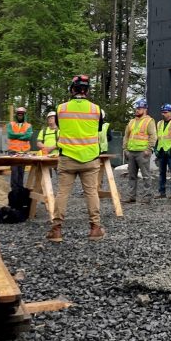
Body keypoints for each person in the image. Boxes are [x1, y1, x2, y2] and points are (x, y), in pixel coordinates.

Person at [48, 75, 106, 242]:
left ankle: (57, 230)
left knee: (62, 193)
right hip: (90, 158)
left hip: (67, 158)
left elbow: (59, 126)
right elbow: (99, 128)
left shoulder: (61, 109)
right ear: (87, 91)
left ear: (72, 89)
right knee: (91, 192)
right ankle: (95, 228)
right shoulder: (96, 110)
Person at [123, 98, 157, 203]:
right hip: (131, 152)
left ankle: (147, 197)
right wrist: (125, 149)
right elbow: (126, 136)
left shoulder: (149, 121)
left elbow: (153, 136)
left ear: (145, 109)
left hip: (143, 152)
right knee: (131, 176)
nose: (137, 110)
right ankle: (131, 196)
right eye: (136, 108)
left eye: (139, 108)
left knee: (146, 175)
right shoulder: (132, 121)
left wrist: (149, 149)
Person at [7, 106, 33, 191]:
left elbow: (28, 136)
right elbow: (10, 135)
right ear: (16, 114)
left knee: (21, 172)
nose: (20, 115)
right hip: (13, 151)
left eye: (22, 114)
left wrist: (16, 135)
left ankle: (20, 190)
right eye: (18, 113)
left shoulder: (28, 125)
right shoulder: (10, 124)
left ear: (25, 114)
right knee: (14, 172)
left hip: (24, 152)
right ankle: (14, 190)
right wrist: (22, 134)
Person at [155, 104, 171, 198]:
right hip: (162, 151)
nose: (164, 114)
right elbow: (157, 137)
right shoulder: (159, 123)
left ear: (170, 112)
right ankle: (161, 192)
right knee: (161, 173)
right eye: (162, 112)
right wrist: (156, 149)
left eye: (166, 112)